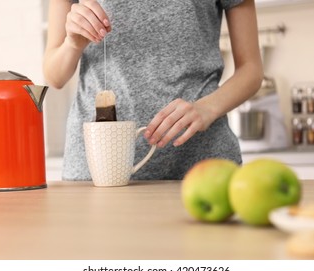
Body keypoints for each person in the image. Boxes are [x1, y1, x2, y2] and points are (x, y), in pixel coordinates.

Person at [43, 0, 263, 180]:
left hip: (201, 163)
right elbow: (55, 76)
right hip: (98, 166)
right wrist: (72, 44)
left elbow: (251, 69)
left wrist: (208, 107)